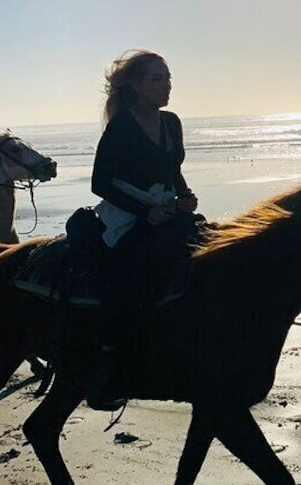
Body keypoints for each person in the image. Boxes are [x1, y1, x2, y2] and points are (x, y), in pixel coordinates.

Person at [87, 50, 198, 411]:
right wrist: (144, 212)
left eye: (168, 79)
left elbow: (172, 169)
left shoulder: (172, 122)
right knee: (131, 275)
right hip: (128, 214)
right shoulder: (120, 127)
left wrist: (184, 196)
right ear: (134, 85)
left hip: (165, 209)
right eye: (157, 79)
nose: (166, 86)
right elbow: (100, 182)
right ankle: (109, 366)